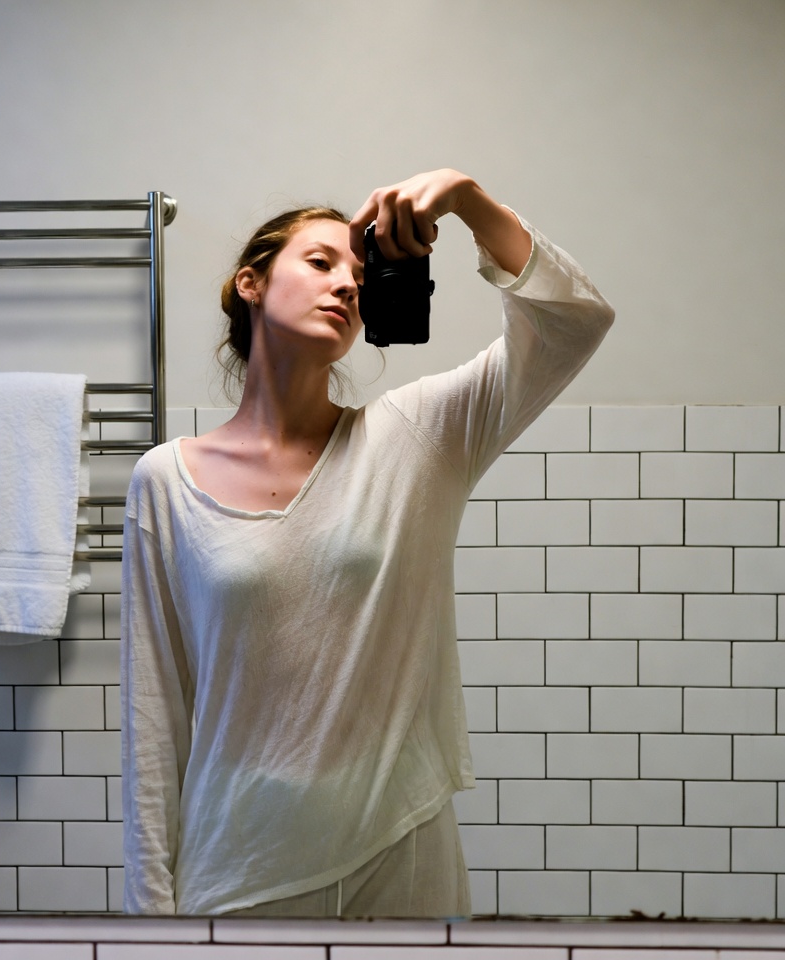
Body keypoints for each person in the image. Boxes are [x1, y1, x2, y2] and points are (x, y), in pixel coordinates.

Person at [121, 168, 614, 917]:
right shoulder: (166, 481)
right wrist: (147, 919)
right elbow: (154, 719)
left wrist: (465, 198)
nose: (347, 285)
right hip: (242, 865)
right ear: (251, 284)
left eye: (359, 274)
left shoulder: (416, 437)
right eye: (320, 263)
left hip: (402, 850)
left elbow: (575, 321)